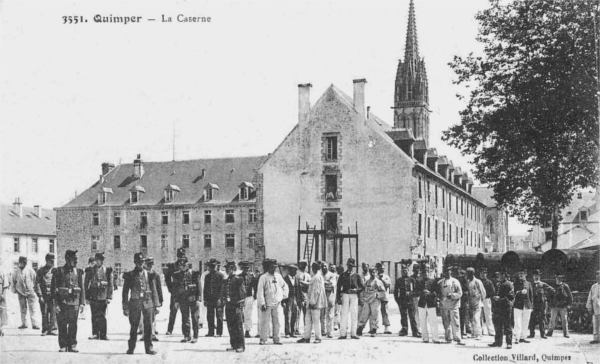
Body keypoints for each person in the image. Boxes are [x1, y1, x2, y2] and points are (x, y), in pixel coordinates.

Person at [122, 252, 159, 355]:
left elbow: (154, 289)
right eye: (139, 262)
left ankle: (149, 348)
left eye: (142, 262)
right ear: (135, 262)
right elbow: (125, 292)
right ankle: (131, 348)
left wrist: (156, 305)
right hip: (135, 303)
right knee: (134, 326)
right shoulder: (130, 275)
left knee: (148, 326)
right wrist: (125, 307)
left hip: (147, 302)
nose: (141, 264)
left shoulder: (149, 274)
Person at [51, 250, 85, 352]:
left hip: (74, 302)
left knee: (73, 324)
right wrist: (55, 303)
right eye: (73, 259)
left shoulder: (78, 272)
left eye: (76, 259)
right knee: (62, 324)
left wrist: (82, 303)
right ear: (67, 259)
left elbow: (82, 287)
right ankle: (63, 345)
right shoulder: (58, 271)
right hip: (62, 303)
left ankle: (72, 345)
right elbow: (54, 288)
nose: (76, 261)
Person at [257, 259, 288, 345]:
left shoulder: (278, 276)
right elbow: (260, 291)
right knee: (264, 322)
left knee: (277, 322)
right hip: (267, 304)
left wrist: (282, 297)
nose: (273, 269)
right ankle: (263, 339)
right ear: (268, 267)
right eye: (272, 267)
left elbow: (285, 286)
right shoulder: (263, 277)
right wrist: (262, 303)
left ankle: (277, 339)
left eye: (275, 267)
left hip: (277, 304)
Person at [85, 252, 113, 341]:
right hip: (93, 296)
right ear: (96, 260)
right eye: (98, 260)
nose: (100, 262)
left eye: (101, 260)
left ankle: (103, 334)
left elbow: (110, 284)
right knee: (94, 315)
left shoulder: (107, 270)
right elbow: (86, 283)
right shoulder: (90, 270)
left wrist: (109, 297)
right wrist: (86, 297)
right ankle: (95, 333)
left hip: (103, 296)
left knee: (102, 316)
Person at [172, 258, 200, 343]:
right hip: (182, 299)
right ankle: (187, 335)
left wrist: (199, 298)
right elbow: (175, 289)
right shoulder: (176, 275)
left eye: (184, 265)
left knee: (194, 317)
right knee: (185, 318)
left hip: (193, 299)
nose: (182, 267)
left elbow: (199, 287)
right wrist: (176, 301)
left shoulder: (194, 274)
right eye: (180, 265)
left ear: (188, 264)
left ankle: (195, 336)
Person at [298, 261, 326, 343]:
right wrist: (304, 283)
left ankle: (318, 338)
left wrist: (312, 303)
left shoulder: (317, 277)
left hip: (314, 303)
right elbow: (311, 284)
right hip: (311, 302)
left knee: (316, 321)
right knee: (308, 320)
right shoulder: (316, 277)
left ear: (314, 268)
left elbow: (316, 291)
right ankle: (306, 337)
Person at [336, 258, 363, 340]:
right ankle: (343, 334)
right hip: (345, 295)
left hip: (354, 296)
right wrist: (338, 298)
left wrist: (356, 290)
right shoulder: (343, 275)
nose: (350, 267)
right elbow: (338, 287)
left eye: (351, 266)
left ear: (353, 267)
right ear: (347, 265)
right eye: (348, 265)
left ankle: (353, 334)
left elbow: (362, 286)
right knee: (344, 314)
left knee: (354, 314)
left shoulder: (357, 276)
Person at [222, 261, 246, 352]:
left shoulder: (239, 279)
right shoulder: (227, 279)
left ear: (233, 269)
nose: (227, 270)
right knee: (230, 326)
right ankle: (234, 344)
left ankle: (240, 345)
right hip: (229, 305)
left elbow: (242, 294)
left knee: (238, 326)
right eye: (226, 269)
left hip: (236, 306)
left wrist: (239, 306)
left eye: (228, 269)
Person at [438, 266, 464, 345]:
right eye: (445, 271)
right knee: (446, 322)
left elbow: (460, 293)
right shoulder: (440, 282)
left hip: (453, 305)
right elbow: (438, 293)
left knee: (455, 322)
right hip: (444, 305)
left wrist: (452, 295)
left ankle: (457, 337)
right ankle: (448, 337)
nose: (447, 273)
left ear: (451, 272)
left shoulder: (455, 282)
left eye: (448, 271)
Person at [489, 270, 514, 349]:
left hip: (506, 308)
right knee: (498, 326)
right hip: (498, 309)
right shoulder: (497, 284)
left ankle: (509, 343)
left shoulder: (509, 284)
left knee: (508, 326)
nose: (498, 276)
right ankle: (498, 342)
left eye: (499, 275)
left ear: (504, 275)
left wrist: (499, 299)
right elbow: (495, 294)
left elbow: (511, 297)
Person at [12, 256, 39, 330]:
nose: (24, 264)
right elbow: (13, 282)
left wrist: (33, 289)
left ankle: (35, 324)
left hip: (31, 292)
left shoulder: (30, 270)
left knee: (33, 308)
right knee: (23, 309)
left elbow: (35, 280)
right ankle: (24, 323)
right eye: (22, 262)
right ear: (19, 262)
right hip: (20, 292)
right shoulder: (16, 272)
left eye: (25, 262)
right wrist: (15, 290)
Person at [357, 267, 386, 337]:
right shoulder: (367, 281)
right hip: (367, 300)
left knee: (375, 314)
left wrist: (377, 295)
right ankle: (360, 328)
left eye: (374, 272)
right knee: (364, 314)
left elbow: (383, 292)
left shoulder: (378, 282)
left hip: (375, 300)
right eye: (371, 272)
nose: (372, 274)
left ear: (376, 273)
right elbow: (363, 289)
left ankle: (374, 329)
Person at [394, 264, 420, 337]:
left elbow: (417, 291)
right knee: (403, 316)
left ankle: (415, 331)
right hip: (402, 301)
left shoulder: (412, 280)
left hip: (411, 301)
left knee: (412, 317)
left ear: (408, 271)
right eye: (403, 271)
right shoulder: (399, 280)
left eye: (406, 271)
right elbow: (396, 292)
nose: (405, 272)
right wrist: (398, 301)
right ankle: (404, 330)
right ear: (401, 272)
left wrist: (411, 293)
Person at [35, 253, 58, 336]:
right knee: (44, 313)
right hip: (44, 296)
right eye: (50, 261)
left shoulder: (56, 271)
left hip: (53, 296)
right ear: (46, 260)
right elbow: (37, 284)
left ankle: (53, 329)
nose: (52, 262)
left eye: (53, 261)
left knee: (53, 313)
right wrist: (40, 295)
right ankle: (45, 329)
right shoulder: (40, 271)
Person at [141, 257, 163, 341]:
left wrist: (160, 300)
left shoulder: (155, 275)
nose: (150, 266)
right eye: (148, 264)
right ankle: (144, 334)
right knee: (143, 317)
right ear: (145, 264)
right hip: (144, 298)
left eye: (151, 264)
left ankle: (152, 334)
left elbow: (159, 288)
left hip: (153, 298)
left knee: (153, 317)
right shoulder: (142, 274)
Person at [165, 248, 186, 335]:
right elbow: (167, 278)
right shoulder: (173, 266)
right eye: (179, 255)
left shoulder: (186, 265)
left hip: (184, 292)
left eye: (182, 255)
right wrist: (170, 289)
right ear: (177, 256)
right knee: (173, 311)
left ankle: (185, 331)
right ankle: (170, 330)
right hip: (175, 292)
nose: (181, 257)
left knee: (185, 312)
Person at [528, 269, 554, 339]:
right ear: (533, 276)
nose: (536, 277)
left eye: (538, 275)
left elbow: (552, 290)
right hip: (533, 305)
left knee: (541, 319)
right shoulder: (530, 284)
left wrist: (546, 297)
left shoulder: (543, 284)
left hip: (541, 305)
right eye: (535, 275)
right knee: (531, 319)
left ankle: (543, 334)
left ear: (540, 276)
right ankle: (531, 334)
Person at [416, 264, 439, 343]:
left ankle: (435, 338)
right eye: (424, 272)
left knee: (433, 321)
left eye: (427, 271)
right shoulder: (419, 282)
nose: (425, 273)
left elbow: (437, 293)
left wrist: (430, 293)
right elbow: (416, 292)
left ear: (429, 272)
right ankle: (425, 338)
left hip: (431, 303)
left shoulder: (433, 281)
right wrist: (421, 292)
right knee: (422, 321)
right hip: (422, 303)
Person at [547, 273, 573, 338]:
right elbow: (549, 296)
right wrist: (550, 304)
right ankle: (550, 332)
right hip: (554, 306)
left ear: (561, 279)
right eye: (557, 278)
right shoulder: (553, 286)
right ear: (555, 278)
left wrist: (569, 304)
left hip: (563, 306)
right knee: (552, 319)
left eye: (560, 278)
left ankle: (566, 333)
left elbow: (570, 296)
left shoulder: (565, 286)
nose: (558, 279)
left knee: (564, 320)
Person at [204, 258, 225, 337]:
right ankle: (211, 331)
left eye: (213, 266)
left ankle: (219, 332)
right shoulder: (207, 276)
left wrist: (220, 299)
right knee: (210, 315)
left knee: (219, 316)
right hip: (210, 299)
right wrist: (205, 299)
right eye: (211, 266)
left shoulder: (220, 276)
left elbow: (222, 289)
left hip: (218, 299)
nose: (212, 268)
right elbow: (205, 289)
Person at [513, 268, 533, 344]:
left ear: (526, 274)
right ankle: (517, 338)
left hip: (527, 305)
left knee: (525, 322)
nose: (520, 275)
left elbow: (531, 296)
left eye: (522, 273)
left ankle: (523, 337)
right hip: (518, 305)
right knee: (517, 322)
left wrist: (531, 306)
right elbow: (513, 293)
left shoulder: (528, 283)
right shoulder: (515, 283)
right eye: (519, 273)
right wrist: (520, 292)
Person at [465, 267, 486, 340]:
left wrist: (481, 300)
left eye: (468, 274)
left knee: (477, 319)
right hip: (470, 303)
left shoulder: (478, 281)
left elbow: (483, 292)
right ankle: (473, 333)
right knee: (472, 319)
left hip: (477, 302)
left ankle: (479, 334)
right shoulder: (468, 282)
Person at [283, 264, 301, 338]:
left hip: (295, 299)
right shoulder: (285, 279)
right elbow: (282, 290)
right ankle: (287, 332)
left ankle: (292, 332)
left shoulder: (297, 279)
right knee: (287, 316)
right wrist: (283, 301)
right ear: (290, 271)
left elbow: (299, 290)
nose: (295, 272)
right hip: (287, 299)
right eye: (294, 271)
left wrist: (300, 300)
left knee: (294, 315)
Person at [238, 261, 255, 338]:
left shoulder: (251, 277)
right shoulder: (238, 277)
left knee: (248, 314)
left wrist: (254, 297)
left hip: (249, 297)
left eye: (247, 268)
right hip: (240, 298)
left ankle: (247, 330)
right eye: (244, 268)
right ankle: (240, 330)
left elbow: (255, 287)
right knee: (240, 314)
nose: (246, 270)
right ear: (241, 268)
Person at [320, 261, 337, 338]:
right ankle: (322, 330)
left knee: (330, 315)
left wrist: (323, 284)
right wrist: (326, 283)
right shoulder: (319, 275)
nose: (324, 267)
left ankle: (329, 332)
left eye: (325, 266)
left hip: (329, 296)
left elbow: (331, 285)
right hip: (321, 296)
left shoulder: (332, 275)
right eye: (323, 266)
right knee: (321, 314)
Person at [375, 262, 392, 334]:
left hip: (384, 296)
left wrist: (382, 279)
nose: (382, 270)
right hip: (376, 296)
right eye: (381, 269)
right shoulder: (375, 276)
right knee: (376, 312)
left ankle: (386, 327)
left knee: (385, 312)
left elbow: (387, 285)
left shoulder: (386, 277)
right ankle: (375, 327)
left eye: (383, 269)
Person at [479, 268, 496, 336]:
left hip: (486, 299)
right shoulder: (478, 281)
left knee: (488, 315)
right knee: (480, 315)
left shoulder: (489, 282)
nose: (483, 274)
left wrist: (486, 296)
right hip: (479, 299)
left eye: (484, 273)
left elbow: (493, 292)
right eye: (482, 273)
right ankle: (481, 330)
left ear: (486, 274)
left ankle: (491, 331)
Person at [297, 260, 311, 334]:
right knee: (297, 313)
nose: (304, 266)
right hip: (298, 296)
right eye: (302, 264)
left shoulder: (308, 275)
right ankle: (296, 329)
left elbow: (310, 284)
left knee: (306, 314)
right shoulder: (297, 274)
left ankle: (307, 328)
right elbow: (298, 285)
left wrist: (304, 283)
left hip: (306, 295)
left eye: (305, 265)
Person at [586, 270, 600, 344]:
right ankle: (596, 339)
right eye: (597, 275)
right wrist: (589, 308)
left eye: (599, 275)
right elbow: (590, 298)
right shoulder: (594, 286)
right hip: (595, 309)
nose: (598, 277)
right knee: (596, 324)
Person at [411, 264, 421, 334]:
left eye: (417, 270)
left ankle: (419, 328)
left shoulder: (420, 278)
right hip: (414, 297)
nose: (416, 272)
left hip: (420, 297)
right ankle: (416, 328)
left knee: (420, 313)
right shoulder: (411, 278)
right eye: (415, 270)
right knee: (414, 313)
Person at [334, 265, 344, 331]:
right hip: (336, 294)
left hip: (343, 294)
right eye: (339, 270)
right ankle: (336, 324)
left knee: (343, 311)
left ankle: (342, 324)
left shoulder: (343, 276)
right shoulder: (335, 276)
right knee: (336, 311)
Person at [0, 262, 8, 337]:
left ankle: (0, 329)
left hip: (0, 294)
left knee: (1, 312)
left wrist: (3, 294)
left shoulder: (2, 270)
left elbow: (5, 285)